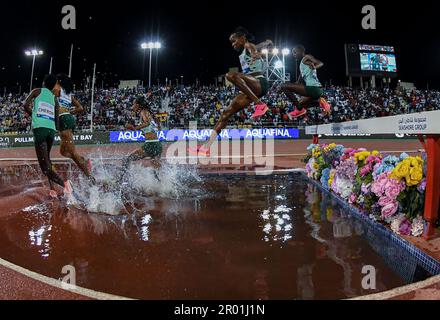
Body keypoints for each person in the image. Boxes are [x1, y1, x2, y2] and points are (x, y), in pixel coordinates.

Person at [189, 27, 272, 156]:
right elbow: (260, 45)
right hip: (251, 87)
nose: (233, 44)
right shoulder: (248, 47)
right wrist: (267, 42)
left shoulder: (249, 45)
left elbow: (253, 49)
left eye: (234, 41)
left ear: (242, 38)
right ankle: (206, 147)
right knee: (225, 114)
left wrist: (257, 52)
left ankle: (259, 104)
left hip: (259, 82)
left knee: (230, 75)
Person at [21, 74, 73, 198]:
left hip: (40, 129)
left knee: (45, 167)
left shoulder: (37, 91)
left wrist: (33, 114)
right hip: (51, 130)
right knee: (47, 160)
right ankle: (52, 189)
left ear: (44, 83)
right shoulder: (54, 98)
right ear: (53, 85)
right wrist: (56, 130)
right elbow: (56, 119)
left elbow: (25, 105)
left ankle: (65, 185)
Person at [53, 73, 94, 182]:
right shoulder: (68, 94)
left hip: (63, 119)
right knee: (63, 152)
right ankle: (83, 160)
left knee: (73, 153)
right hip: (67, 119)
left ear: (59, 81)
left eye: (56, 80)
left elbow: (49, 97)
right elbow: (80, 108)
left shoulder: (57, 88)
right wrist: (70, 111)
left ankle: (90, 177)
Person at [117, 96, 162, 183]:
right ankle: (161, 185)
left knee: (127, 159)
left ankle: (121, 181)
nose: (132, 106)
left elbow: (147, 123)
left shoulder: (143, 112)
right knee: (155, 171)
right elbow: (157, 126)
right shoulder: (149, 113)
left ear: (137, 105)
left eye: (133, 104)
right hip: (157, 144)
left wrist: (134, 128)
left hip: (151, 144)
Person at [281, 45, 331, 119]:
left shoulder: (306, 57)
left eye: (295, 52)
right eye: (293, 53)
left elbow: (320, 63)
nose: (293, 55)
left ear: (301, 51)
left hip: (313, 88)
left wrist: (315, 66)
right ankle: (320, 103)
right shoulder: (302, 65)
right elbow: (298, 82)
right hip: (316, 90)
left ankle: (300, 109)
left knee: (283, 86)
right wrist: (291, 87)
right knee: (300, 103)